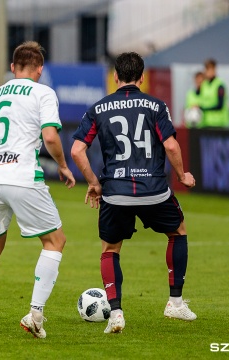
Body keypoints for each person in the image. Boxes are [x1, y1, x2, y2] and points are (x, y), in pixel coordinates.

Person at [70, 52, 197, 334]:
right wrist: (182, 175)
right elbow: (172, 146)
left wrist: (93, 182)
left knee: (110, 250)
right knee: (177, 231)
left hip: (115, 192)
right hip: (154, 190)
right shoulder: (156, 106)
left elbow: (77, 149)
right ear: (142, 77)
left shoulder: (99, 108)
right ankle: (175, 303)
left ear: (115, 76)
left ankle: (115, 314)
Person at [0, 41, 76, 340]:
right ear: (39, 69)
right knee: (54, 241)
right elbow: (50, 136)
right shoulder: (43, 92)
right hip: (23, 175)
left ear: (13, 68)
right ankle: (35, 314)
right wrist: (62, 165)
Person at [198, 58, 229, 128]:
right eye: (207, 69)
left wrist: (203, 108)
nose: (208, 72)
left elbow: (220, 105)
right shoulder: (204, 85)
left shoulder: (219, 85)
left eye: (210, 69)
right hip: (206, 123)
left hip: (219, 124)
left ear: (215, 70)